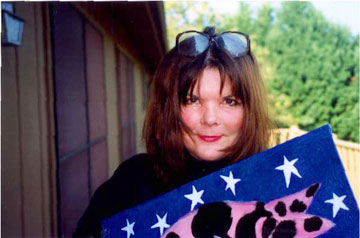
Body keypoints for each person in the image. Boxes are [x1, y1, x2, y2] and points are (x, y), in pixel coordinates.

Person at [74, 26, 274, 237]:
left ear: (249, 110)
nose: (210, 119)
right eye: (192, 100)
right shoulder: (132, 182)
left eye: (230, 101)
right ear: (169, 108)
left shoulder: (275, 183)